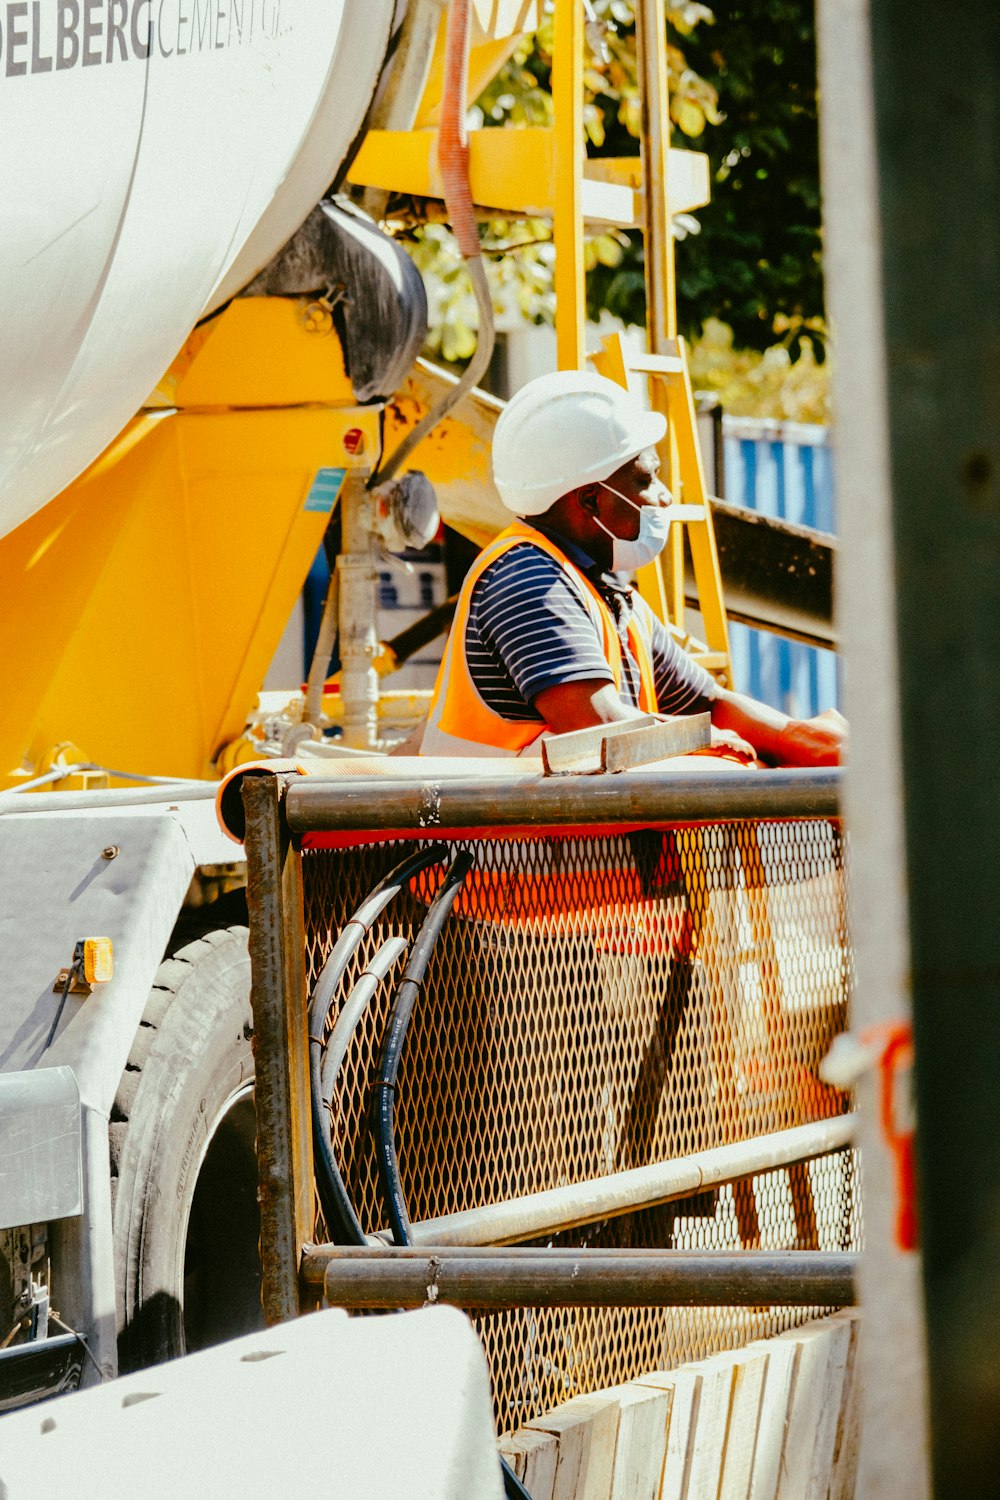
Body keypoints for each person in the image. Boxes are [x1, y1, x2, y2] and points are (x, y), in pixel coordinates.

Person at [419, 369, 846, 765]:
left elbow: (711, 704)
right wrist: (713, 743)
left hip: (562, 848)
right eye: (644, 480)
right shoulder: (529, 578)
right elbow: (600, 729)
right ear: (590, 500)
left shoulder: (607, 595)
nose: (663, 497)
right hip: (495, 846)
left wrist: (810, 741)